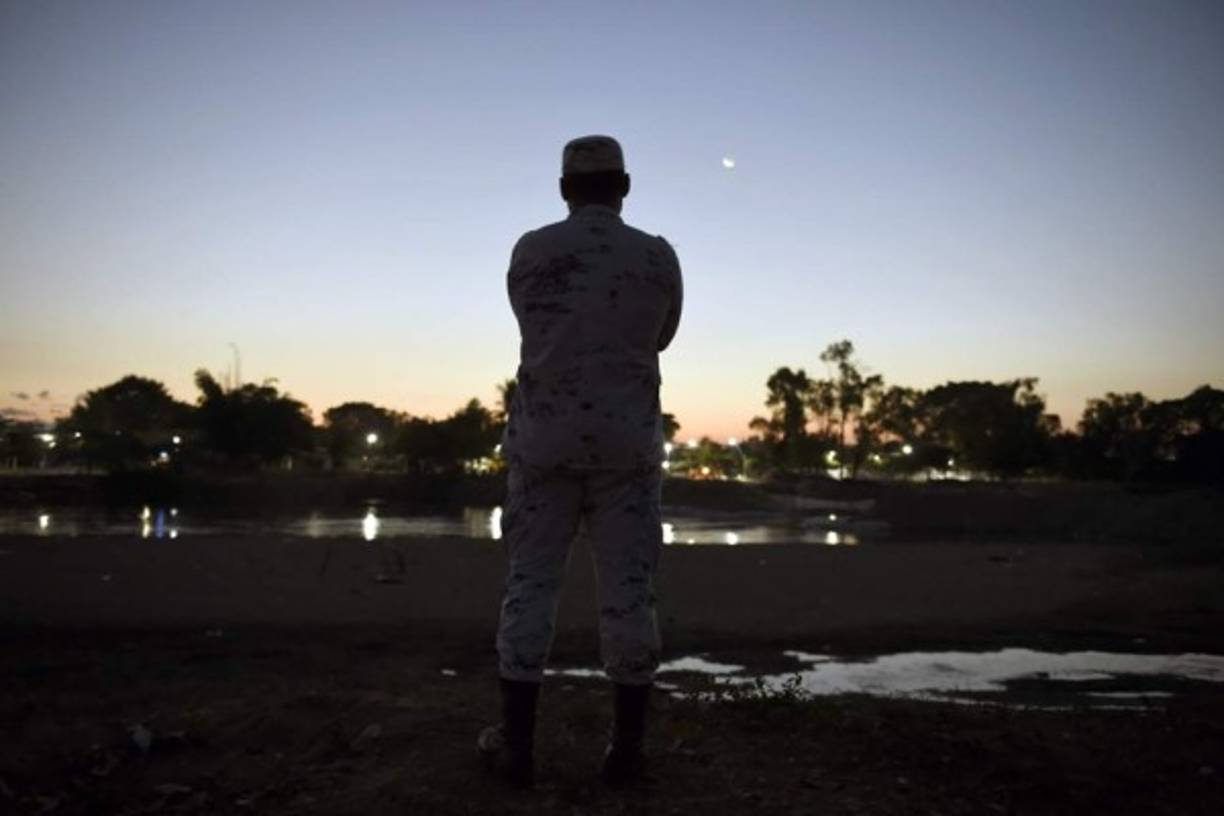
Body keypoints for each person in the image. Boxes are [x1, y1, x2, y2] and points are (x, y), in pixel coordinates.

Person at [478, 135, 683, 789]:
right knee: (629, 593)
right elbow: (663, 336)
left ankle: (517, 752)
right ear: (624, 186)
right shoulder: (656, 257)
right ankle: (625, 753)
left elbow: (527, 324)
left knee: (530, 588)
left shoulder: (531, 252)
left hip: (543, 445)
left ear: (565, 190)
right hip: (628, 449)